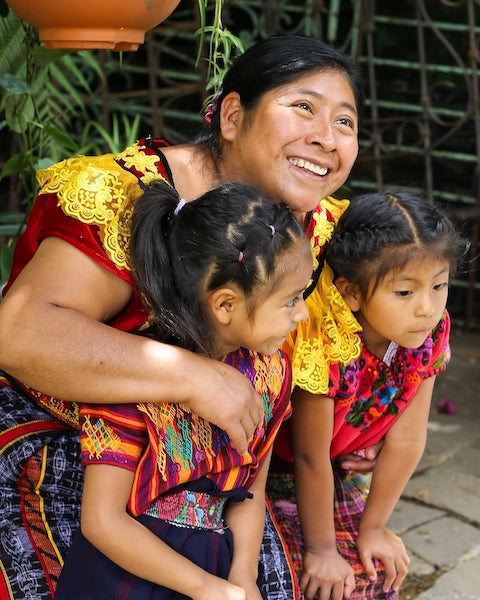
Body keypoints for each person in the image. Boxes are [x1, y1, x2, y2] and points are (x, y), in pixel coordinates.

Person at [0, 34, 364, 599]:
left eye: (346, 122)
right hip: (70, 434)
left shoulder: (311, 229)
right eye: (303, 107)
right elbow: (19, 333)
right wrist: (194, 377)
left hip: (208, 460)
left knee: (329, 567)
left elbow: (402, 311)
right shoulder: (123, 193)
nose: (327, 137)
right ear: (234, 116)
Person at [54, 179, 313, 599]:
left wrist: (243, 577)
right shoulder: (137, 379)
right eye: (291, 300)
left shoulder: (272, 374)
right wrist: (203, 587)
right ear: (226, 304)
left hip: (215, 564)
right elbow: (101, 520)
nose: (302, 314)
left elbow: (250, 491)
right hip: (123, 579)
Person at [271, 191, 461, 600]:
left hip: (339, 470)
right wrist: (321, 549)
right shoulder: (326, 341)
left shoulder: (428, 335)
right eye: (405, 292)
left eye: (439, 285)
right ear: (352, 293)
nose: (427, 308)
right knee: (313, 581)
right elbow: (309, 455)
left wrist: (374, 528)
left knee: (372, 573)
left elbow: (408, 440)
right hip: (278, 472)